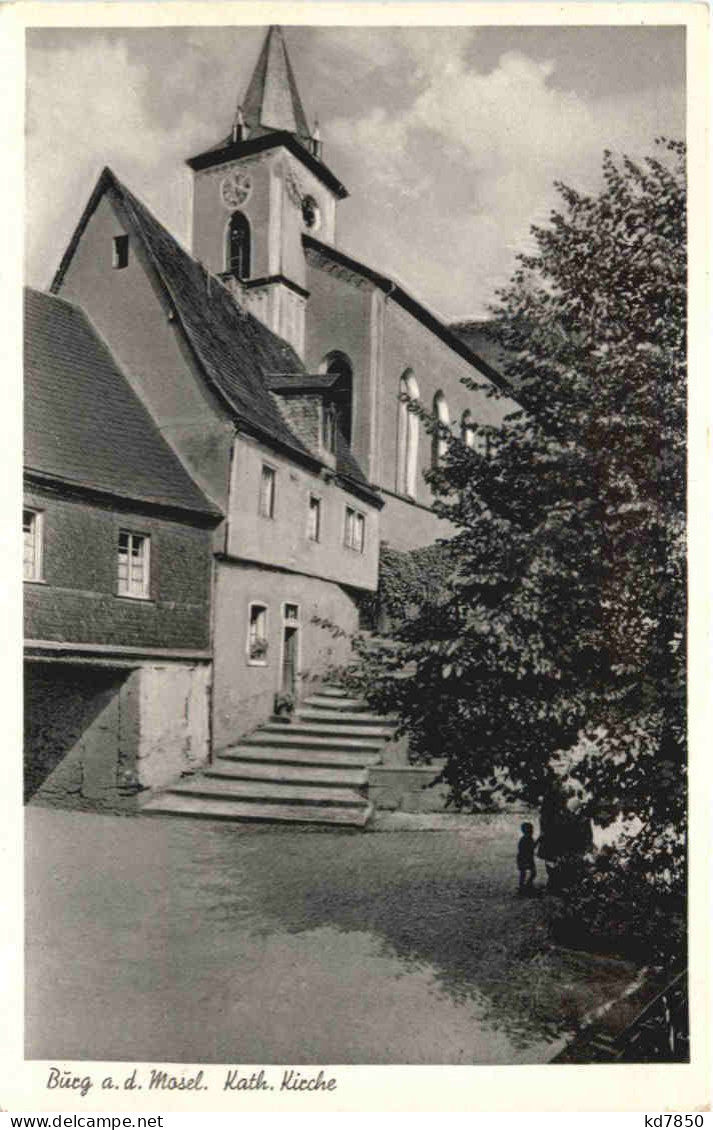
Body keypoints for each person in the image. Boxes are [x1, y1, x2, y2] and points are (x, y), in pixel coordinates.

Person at [516, 821, 538, 895]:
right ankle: (525, 886)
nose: (532, 831)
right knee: (529, 873)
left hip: (524, 858)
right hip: (525, 858)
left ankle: (524, 886)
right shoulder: (526, 839)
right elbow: (531, 848)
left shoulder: (526, 838)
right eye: (530, 830)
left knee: (525, 873)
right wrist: (538, 841)